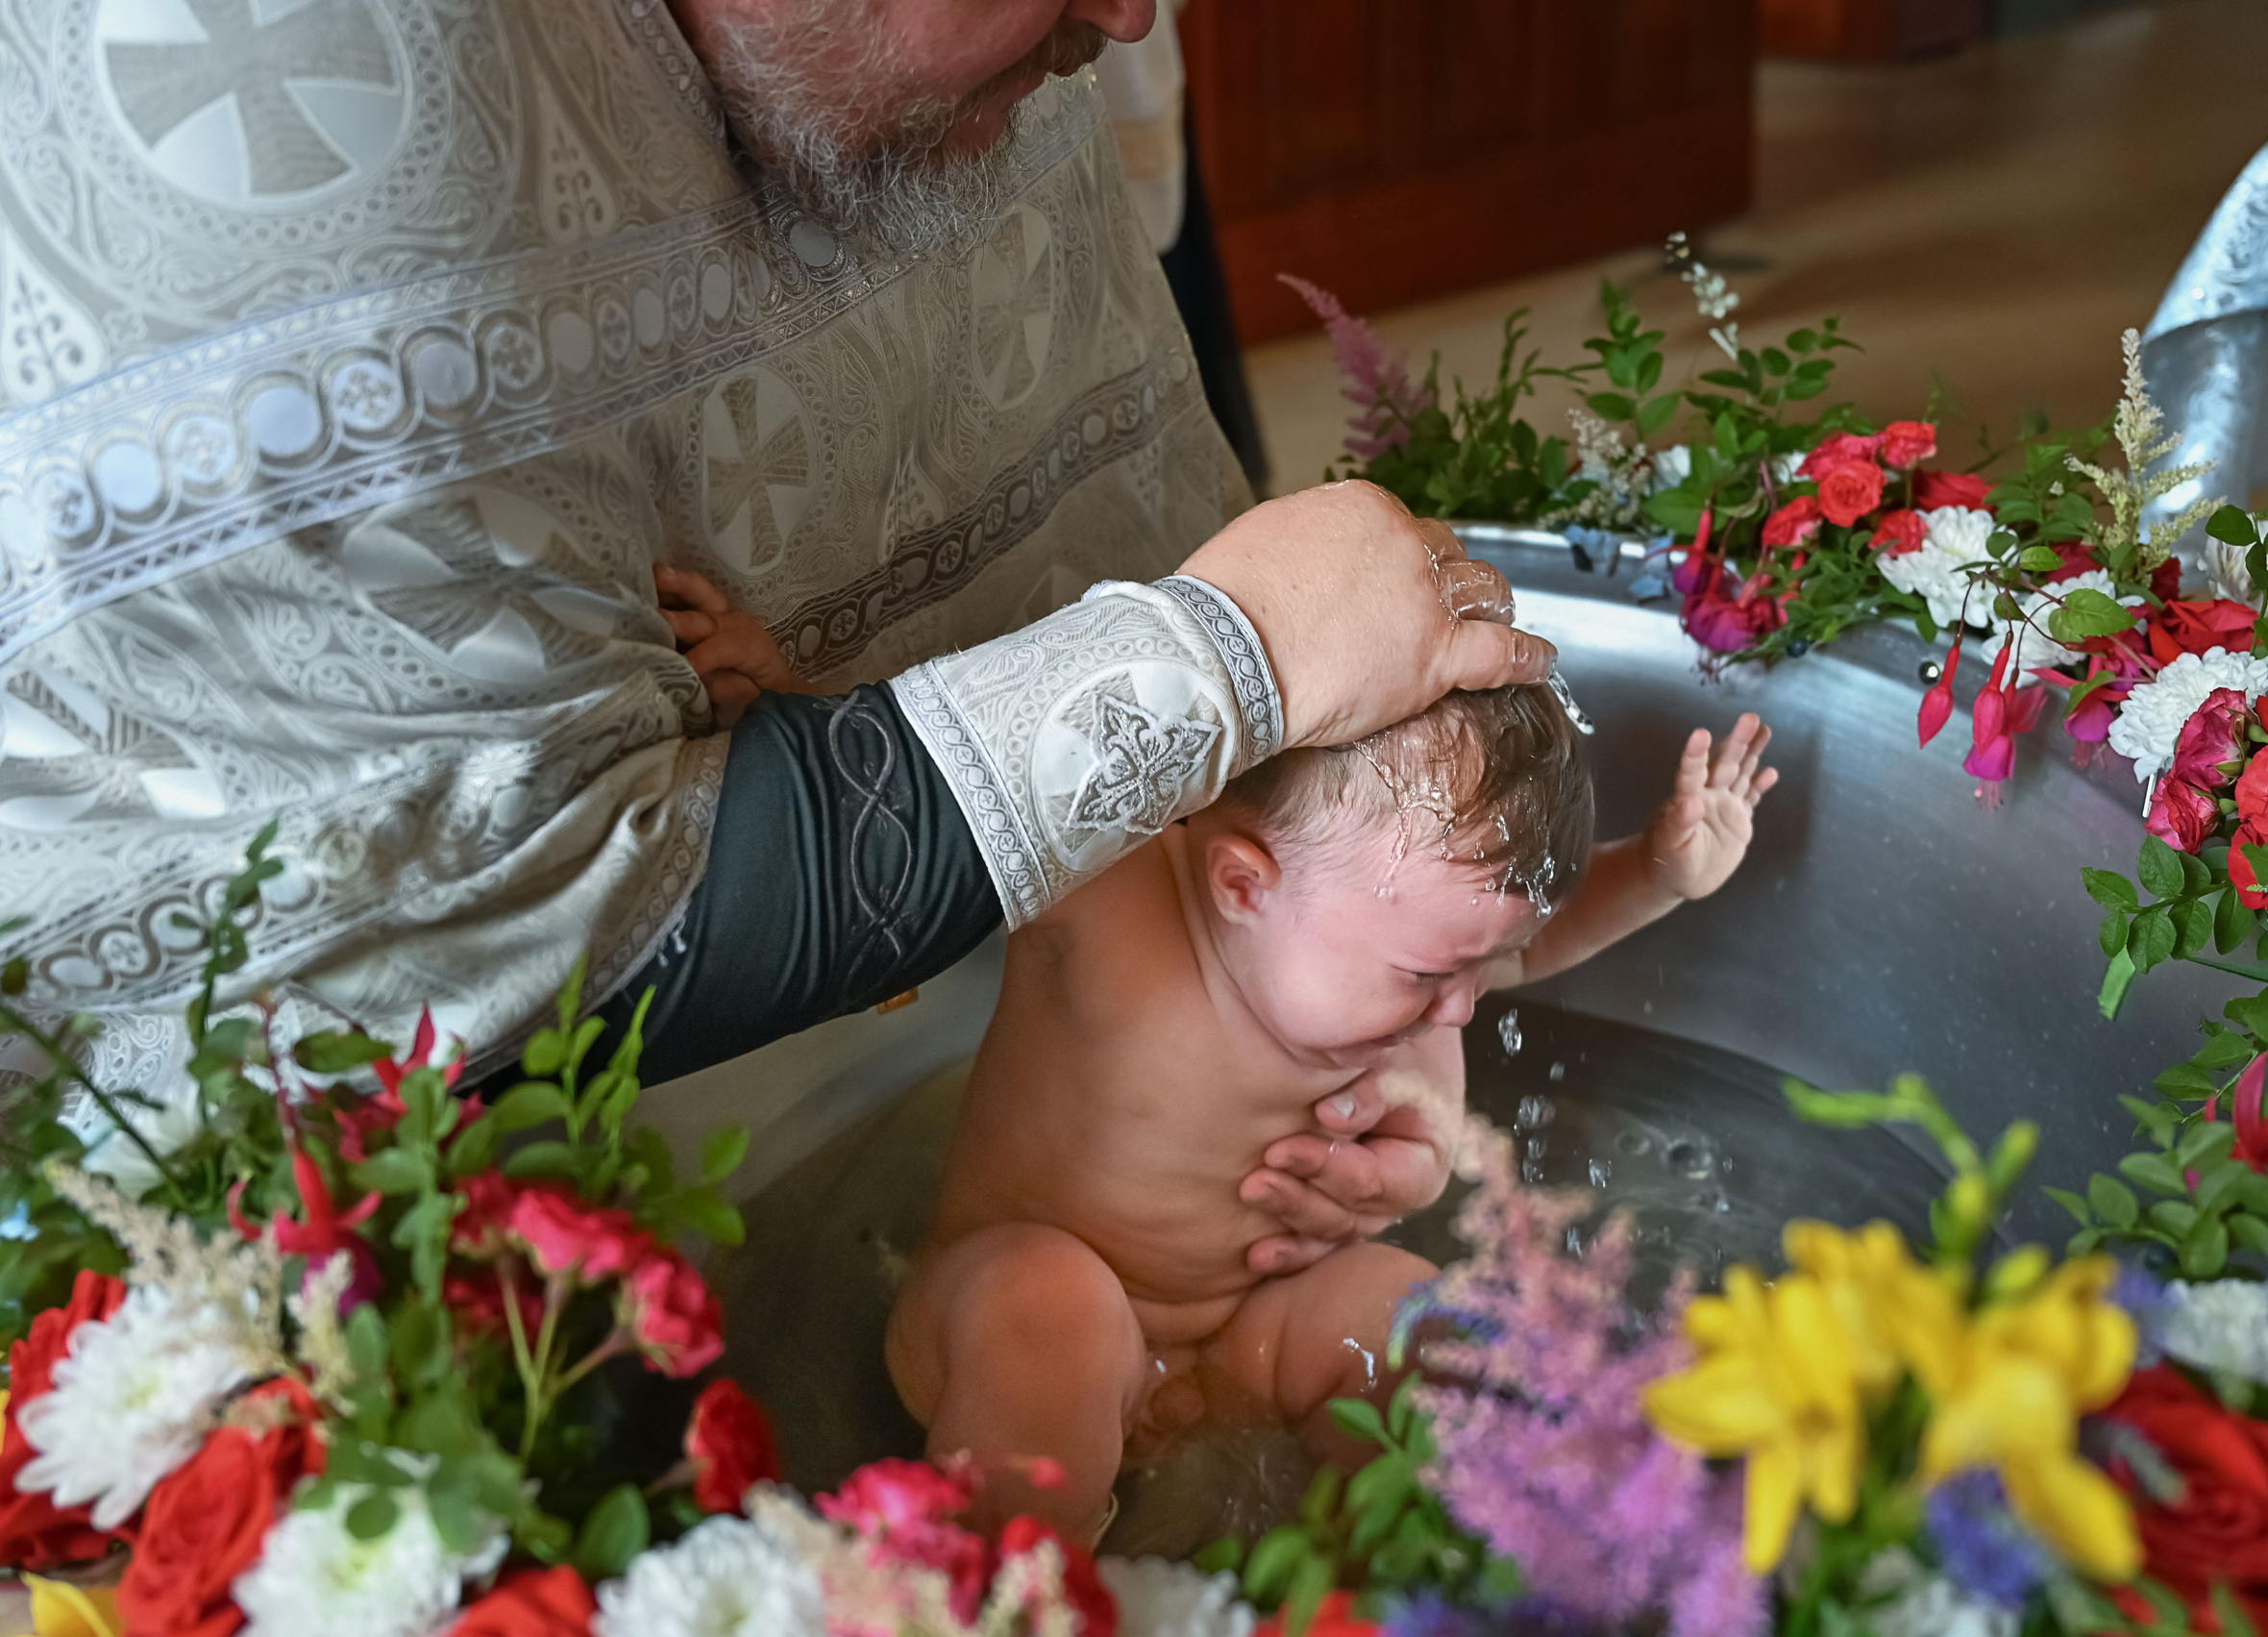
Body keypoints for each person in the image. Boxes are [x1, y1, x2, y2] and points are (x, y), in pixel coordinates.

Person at [0, 0, 1545, 1269]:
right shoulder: (326, 91)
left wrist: (1327, 1029)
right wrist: (1230, 650)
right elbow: (480, 919)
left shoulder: (989, 43)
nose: (1129, 19)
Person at [881, 682, 1778, 1540]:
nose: (1467, 1006)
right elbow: (943, 796)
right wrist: (782, 689)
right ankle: (1010, 1593)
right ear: (1244, 885)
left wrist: (1658, 871)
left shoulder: (1398, 942)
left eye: (1487, 964)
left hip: (1246, 1331)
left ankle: (1385, 1582)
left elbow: (1511, 945)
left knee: (1404, 1322)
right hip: (1001, 1325)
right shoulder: (1108, 903)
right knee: (1050, 1302)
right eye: (1431, 975)